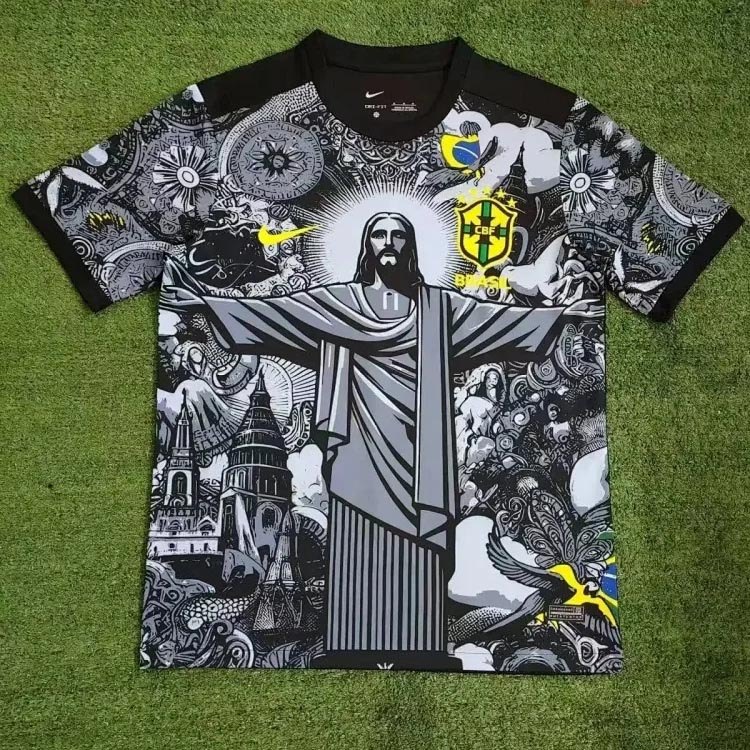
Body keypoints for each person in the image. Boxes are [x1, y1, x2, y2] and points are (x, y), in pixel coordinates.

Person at [162, 211, 602, 669]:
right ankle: (351, 642)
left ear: (410, 246)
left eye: (398, 234)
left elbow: (497, 322)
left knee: (418, 540)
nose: (388, 242)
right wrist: (204, 303)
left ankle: (421, 644)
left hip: (421, 444)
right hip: (359, 440)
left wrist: (559, 315)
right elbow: (277, 314)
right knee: (358, 535)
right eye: (379, 234)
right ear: (366, 245)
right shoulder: (341, 303)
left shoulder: (437, 308)